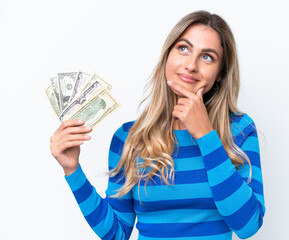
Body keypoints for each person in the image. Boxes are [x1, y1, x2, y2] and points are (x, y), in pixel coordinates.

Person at [50, 10, 265, 240]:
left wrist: (205, 135)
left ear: (220, 73)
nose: (191, 65)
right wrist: (72, 169)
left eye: (207, 57)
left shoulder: (240, 130)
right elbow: (117, 234)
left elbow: (247, 226)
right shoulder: (128, 138)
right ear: (167, 57)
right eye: (183, 48)